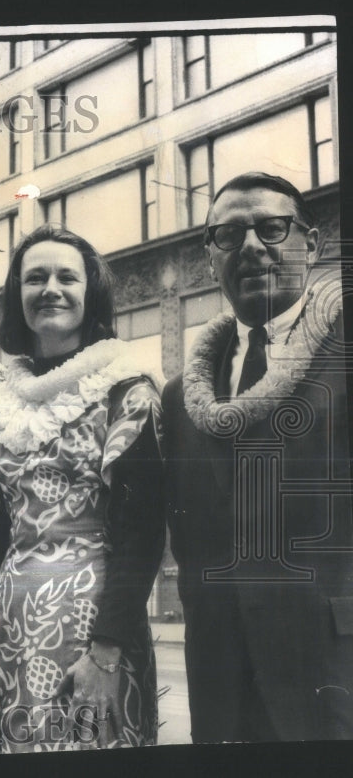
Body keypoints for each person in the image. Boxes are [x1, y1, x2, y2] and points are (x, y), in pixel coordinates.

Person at [162, 172, 352, 742]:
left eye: (272, 228)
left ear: (312, 244)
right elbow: (187, 534)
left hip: (330, 675)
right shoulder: (182, 396)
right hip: (221, 681)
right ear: (209, 253)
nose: (250, 247)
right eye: (228, 234)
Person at [0, 224, 164, 751]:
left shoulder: (125, 388)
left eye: (66, 276)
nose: (50, 288)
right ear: (17, 297)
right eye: (35, 278)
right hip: (6, 632)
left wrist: (106, 652)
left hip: (95, 632)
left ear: (89, 292)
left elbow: (143, 533)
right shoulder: (0, 402)